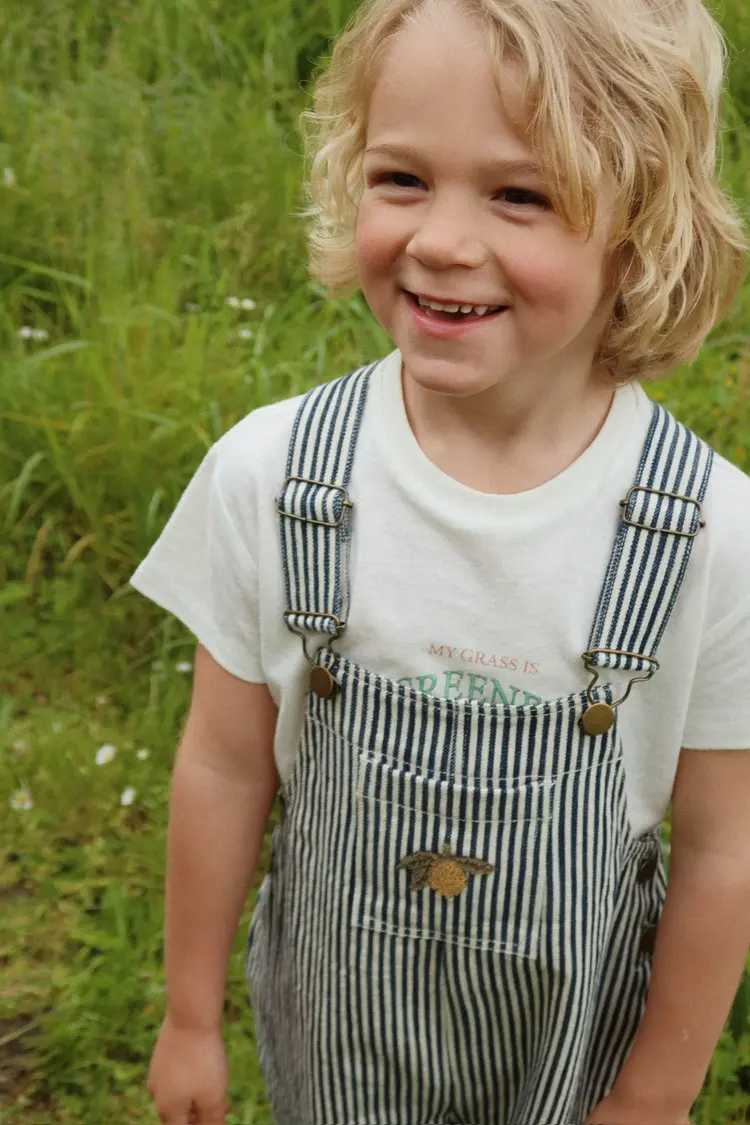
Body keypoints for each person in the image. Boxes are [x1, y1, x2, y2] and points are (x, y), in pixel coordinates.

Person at [132, 0, 750, 1121]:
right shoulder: (275, 478)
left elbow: (722, 850)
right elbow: (223, 766)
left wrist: (655, 1097)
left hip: (571, 1066)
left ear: (642, 226)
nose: (441, 241)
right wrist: (187, 1017)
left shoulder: (712, 535)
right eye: (402, 179)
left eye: (521, 195)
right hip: (337, 1051)